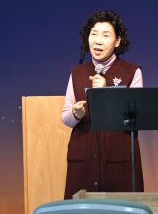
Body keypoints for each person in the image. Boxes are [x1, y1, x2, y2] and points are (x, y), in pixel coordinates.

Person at [61, 10, 144, 198]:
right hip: (83, 161)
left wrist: (108, 93)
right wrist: (75, 114)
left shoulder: (132, 71)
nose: (98, 41)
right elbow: (65, 117)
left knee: (122, 212)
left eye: (106, 35)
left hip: (118, 161)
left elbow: (136, 117)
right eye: (94, 34)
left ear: (117, 41)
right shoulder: (77, 73)